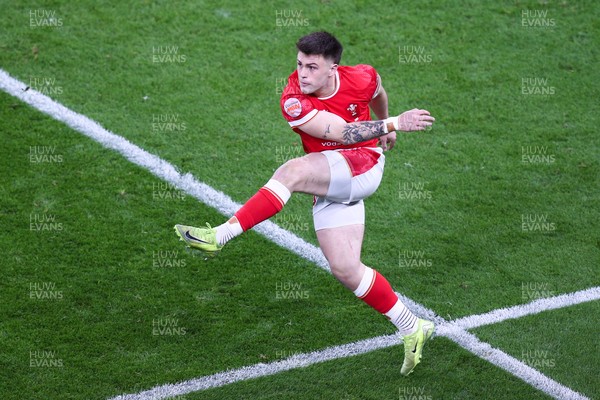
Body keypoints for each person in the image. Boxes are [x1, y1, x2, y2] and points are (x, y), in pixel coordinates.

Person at [175, 31, 435, 376]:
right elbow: (342, 132)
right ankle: (412, 326)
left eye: (312, 67)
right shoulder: (293, 100)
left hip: (363, 165)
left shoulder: (362, 76)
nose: (303, 74)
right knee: (345, 268)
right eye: (299, 64)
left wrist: (386, 127)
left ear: (334, 69)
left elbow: (377, 93)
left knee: (292, 171)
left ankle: (219, 236)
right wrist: (391, 123)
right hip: (333, 175)